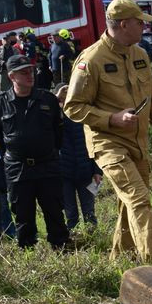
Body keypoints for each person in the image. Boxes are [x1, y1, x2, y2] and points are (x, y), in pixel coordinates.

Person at [64, 0, 152, 262]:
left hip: (138, 144)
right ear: (124, 24)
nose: (144, 28)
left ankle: (120, 260)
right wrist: (111, 118)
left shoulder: (140, 55)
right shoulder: (90, 60)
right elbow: (73, 107)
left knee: (129, 205)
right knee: (138, 198)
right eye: (140, 23)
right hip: (107, 144)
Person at [0, 54, 69, 250]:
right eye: (23, 72)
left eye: (30, 70)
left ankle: (61, 249)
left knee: (55, 211)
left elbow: (58, 133)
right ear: (12, 76)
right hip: (18, 168)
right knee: (23, 215)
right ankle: (27, 252)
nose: (30, 75)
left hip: (47, 165)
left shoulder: (47, 98)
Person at [55, 84, 101, 229]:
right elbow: (42, 118)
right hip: (64, 173)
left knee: (89, 212)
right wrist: (56, 101)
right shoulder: (55, 118)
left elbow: (96, 144)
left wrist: (97, 171)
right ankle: (73, 240)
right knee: (71, 214)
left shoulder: (83, 115)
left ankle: (93, 239)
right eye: (64, 96)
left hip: (85, 171)